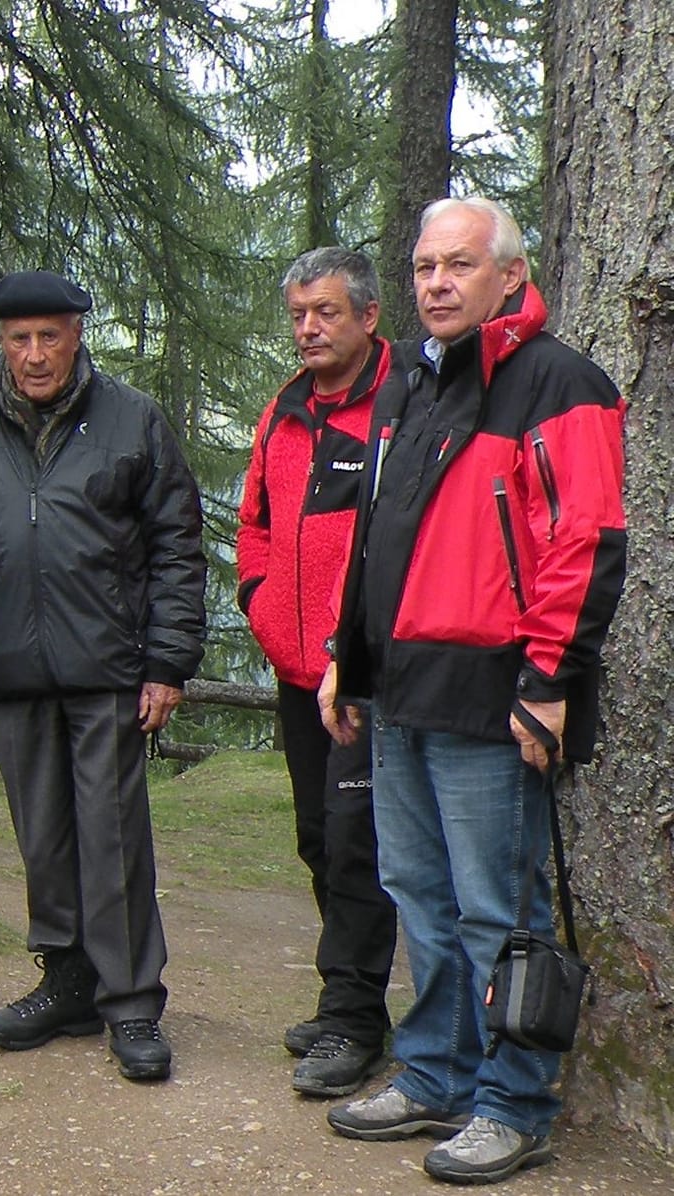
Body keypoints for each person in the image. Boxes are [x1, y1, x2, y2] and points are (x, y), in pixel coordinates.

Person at [319, 198, 626, 1183]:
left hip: (498, 692)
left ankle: (515, 1101)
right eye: (423, 267)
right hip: (402, 683)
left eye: (458, 265)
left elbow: (589, 539)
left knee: (500, 907)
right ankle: (438, 1071)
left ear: (508, 273)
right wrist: (347, 656)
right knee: (420, 893)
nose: (437, 284)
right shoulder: (410, 380)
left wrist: (550, 679)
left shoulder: (559, 382)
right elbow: (380, 532)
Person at [0, 269, 207, 1082]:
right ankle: (67, 980)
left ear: (78, 334)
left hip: (109, 667)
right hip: (10, 668)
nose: (36, 354)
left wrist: (167, 663)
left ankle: (133, 1000)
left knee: (111, 836)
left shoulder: (131, 421)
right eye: (19, 339)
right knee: (41, 835)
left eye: (50, 336)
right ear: (0, 343)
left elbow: (178, 549)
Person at [236, 247, 398, 1098]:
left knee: (355, 843)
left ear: (369, 317)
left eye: (326, 312)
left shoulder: (400, 405)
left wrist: (352, 645)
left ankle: (353, 1016)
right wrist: (262, 604)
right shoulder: (284, 412)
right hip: (296, 668)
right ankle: (349, 995)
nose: (309, 328)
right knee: (314, 834)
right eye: (300, 314)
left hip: (363, 676)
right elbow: (254, 523)